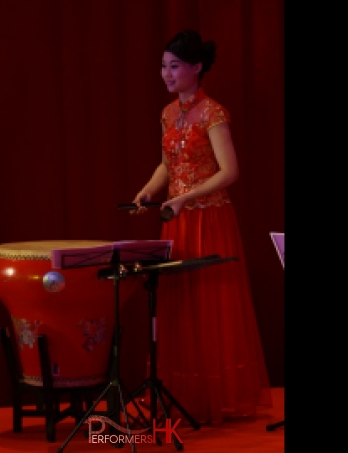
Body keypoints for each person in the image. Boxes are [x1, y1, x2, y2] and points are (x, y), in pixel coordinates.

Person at [130, 29, 273, 425]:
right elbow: (167, 166)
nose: (166, 74)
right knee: (180, 306)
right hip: (177, 219)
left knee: (212, 306)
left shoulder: (214, 113)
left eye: (174, 66)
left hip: (209, 218)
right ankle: (184, 395)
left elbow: (230, 172)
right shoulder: (166, 113)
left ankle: (218, 399)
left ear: (196, 68)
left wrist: (185, 198)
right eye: (163, 66)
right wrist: (148, 190)